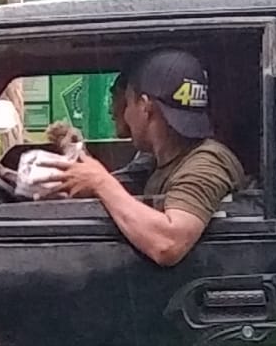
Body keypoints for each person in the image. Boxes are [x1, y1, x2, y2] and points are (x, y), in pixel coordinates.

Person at [54, 49, 245, 267]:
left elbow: (169, 243)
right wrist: (81, 160)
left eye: (128, 103)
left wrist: (100, 181)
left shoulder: (208, 163)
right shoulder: (157, 161)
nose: (125, 115)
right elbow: (119, 191)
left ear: (145, 106)